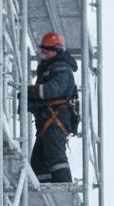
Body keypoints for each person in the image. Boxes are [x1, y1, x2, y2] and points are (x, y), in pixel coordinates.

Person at [28, 30, 79, 184]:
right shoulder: (49, 69)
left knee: (55, 156)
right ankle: (44, 186)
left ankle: (63, 187)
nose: (43, 54)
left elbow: (53, 89)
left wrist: (32, 91)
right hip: (46, 121)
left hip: (56, 120)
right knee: (38, 160)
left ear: (55, 50)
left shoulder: (62, 69)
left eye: (46, 51)